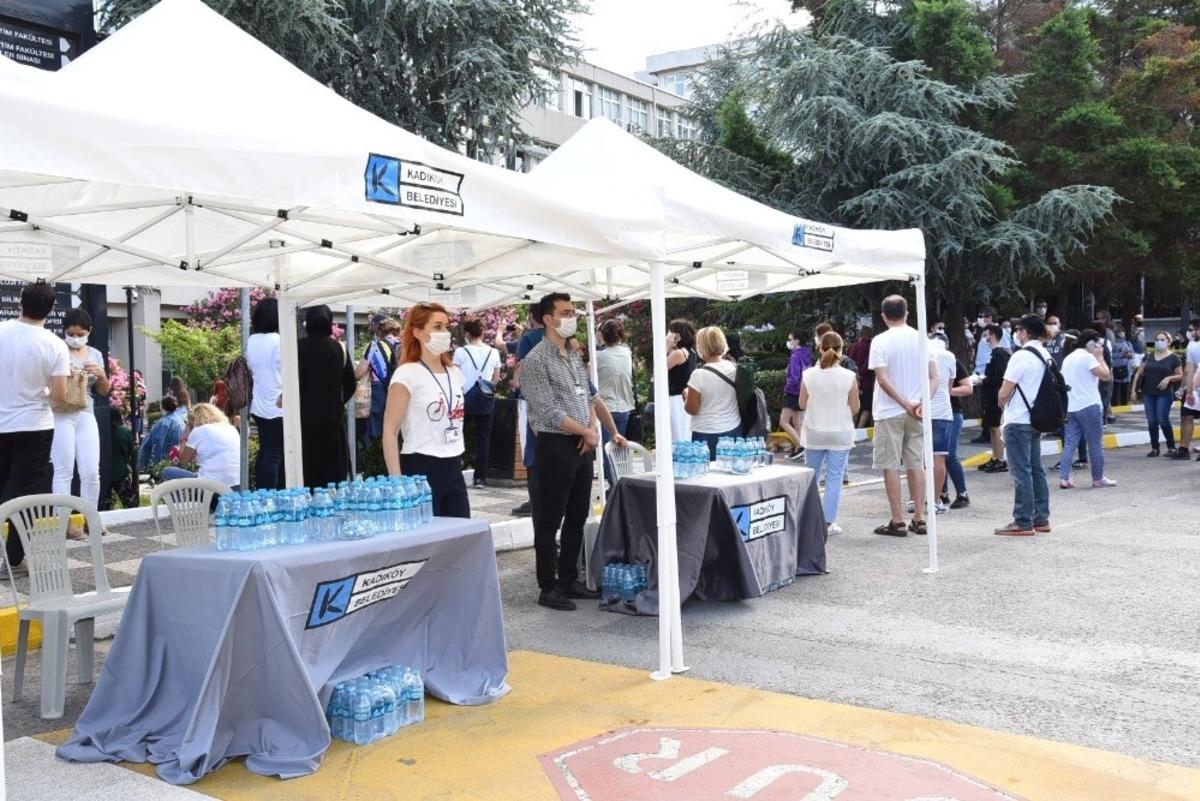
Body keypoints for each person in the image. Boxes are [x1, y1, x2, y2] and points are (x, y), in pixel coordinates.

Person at [520, 293, 627, 612]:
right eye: (566, 312)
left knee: (578, 514)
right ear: (548, 319)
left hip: (582, 443)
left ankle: (569, 578)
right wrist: (585, 432)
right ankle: (548, 586)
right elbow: (548, 411)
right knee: (550, 518)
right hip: (556, 444)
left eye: (573, 312)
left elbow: (588, 398)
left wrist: (592, 430)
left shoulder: (572, 355)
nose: (572, 318)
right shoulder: (535, 361)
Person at [0, 283, 69, 575]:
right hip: (34, 425)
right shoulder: (54, 344)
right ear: (51, 309)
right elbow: (60, 397)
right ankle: (14, 560)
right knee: (24, 494)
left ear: (20, 302)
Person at [382, 302, 470, 518]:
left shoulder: (455, 373)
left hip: (453, 464)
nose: (445, 333)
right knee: (428, 535)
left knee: (460, 533)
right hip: (420, 465)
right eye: (437, 326)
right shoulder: (407, 374)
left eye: (446, 326)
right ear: (418, 333)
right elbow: (390, 431)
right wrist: (397, 483)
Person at [868, 295, 935, 537]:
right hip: (917, 410)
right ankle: (919, 517)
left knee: (890, 465)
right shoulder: (922, 339)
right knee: (916, 463)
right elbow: (935, 376)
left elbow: (882, 379)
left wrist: (904, 403)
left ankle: (897, 520)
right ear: (907, 313)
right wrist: (921, 403)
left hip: (889, 410)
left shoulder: (880, 341)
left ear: (884, 316)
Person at [50, 309, 110, 534]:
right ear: (64, 331)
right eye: (70, 333)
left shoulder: (95, 354)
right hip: (61, 413)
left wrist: (101, 375)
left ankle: (90, 518)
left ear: (89, 331)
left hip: (86, 412)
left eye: (80, 334)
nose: (75, 338)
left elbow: (104, 391)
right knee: (63, 470)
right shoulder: (57, 349)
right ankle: (63, 522)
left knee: (91, 471)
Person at [994, 315, 1053, 536]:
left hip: (1018, 420)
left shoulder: (1020, 356)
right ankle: (1041, 518)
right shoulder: (1045, 355)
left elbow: (1004, 392)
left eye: (1018, 330)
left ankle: (1022, 521)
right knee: (1036, 469)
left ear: (1024, 333)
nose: (1016, 334)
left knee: (1021, 472)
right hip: (1036, 419)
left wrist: (1001, 404)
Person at [798, 331, 859, 535]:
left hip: (814, 432)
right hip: (840, 433)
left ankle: (809, 520)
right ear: (841, 349)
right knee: (834, 479)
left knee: (812, 478)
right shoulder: (849, 376)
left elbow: (801, 404)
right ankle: (829, 522)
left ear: (819, 348)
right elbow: (856, 408)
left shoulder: (808, 375)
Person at [298, 305, 357, 489]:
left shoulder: (297, 347)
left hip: (303, 418)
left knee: (305, 468)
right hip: (332, 418)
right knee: (333, 470)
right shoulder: (339, 348)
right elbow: (350, 384)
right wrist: (337, 402)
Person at [1058, 329, 1115, 489]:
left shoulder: (1068, 358)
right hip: (1089, 405)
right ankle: (1098, 478)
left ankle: (1064, 478)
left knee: (1070, 443)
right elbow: (1106, 376)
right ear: (1090, 344)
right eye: (1097, 343)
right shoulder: (1088, 358)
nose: (1099, 346)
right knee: (1095, 443)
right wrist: (1100, 357)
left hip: (1071, 406)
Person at [454, 317, 502, 488]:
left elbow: (455, 377)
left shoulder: (460, 352)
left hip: (464, 399)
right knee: (483, 439)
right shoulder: (493, 352)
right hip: (486, 399)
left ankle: (455, 474)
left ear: (466, 333)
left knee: (458, 436)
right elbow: (496, 379)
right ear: (482, 332)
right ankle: (480, 478)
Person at [928, 335, 974, 513]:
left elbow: (968, 388)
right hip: (937, 412)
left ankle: (962, 493)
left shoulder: (953, 361)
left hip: (952, 413)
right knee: (937, 456)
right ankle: (941, 493)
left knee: (949, 455)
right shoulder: (928, 360)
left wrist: (946, 391)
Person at [685, 327, 744, 459]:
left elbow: (692, 409)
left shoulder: (698, 375)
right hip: (733, 429)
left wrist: (686, 397)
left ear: (701, 347)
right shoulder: (735, 368)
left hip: (705, 433)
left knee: (706, 471)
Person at [511, 305, 546, 517]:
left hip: (530, 400)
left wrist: (516, 380)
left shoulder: (529, 338)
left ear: (532, 316)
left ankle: (535, 501)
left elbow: (523, 365)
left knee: (531, 452)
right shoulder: (559, 336)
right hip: (555, 402)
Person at [245, 298, 283, 489]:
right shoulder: (279, 340)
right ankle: (270, 495)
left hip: (259, 405)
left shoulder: (252, 340)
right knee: (274, 455)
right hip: (279, 404)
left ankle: (261, 492)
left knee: (266, 451)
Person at [162, 403, 241, 491]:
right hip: (237, 486)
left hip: (210, 487)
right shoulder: (231, 428)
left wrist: (185, 435)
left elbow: (183, 460)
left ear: (193, 420)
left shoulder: (198, 431)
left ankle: (182, 500)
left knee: (167, 472)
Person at [595, 319, 635, 486]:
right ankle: (618, 485)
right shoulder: (626, 352)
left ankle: (614, 488)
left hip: (605, 408)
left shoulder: (598, 356)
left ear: (602, 335)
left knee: (608, 452)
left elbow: (586, 377)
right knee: (619, 451)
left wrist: (598, 343)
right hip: (624, 407)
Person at [1133, 330, 1182, 457]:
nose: (1159, 342)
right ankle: (1155, 448)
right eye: (1157, 339)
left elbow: (1180, 375)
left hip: (1164, 393)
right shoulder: (1148, 356)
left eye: (1162, 340)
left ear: (1168, 342)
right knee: (1151, 421)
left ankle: (1171, 447)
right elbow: (1139, 372)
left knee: (1162, 419)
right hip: (1148, 392)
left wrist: (1169, 378)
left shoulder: (1174, 358)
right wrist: (1133, 390)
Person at [355, 315, 398, 448]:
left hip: (379, 387)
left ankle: (374, 448)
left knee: (376, 419)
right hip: (398, 386)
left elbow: (360, 371)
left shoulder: (373, 346)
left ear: (375, 328)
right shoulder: (398, 343)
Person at [977, 324, 1011, 473]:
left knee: (996, 427)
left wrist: (984, 380)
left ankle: (1001, 459)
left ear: (993, 335)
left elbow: (1001, 377)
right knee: (991, 426)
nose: (985, 338)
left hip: (995, 396)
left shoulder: (1000, 354)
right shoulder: (993, 354)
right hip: (989, 396)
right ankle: (995, 456)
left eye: (986, 335)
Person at [780, 329, 813, 460]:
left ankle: (800, 446)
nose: (788, 342)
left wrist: (787, 389)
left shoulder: (795, 356)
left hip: (792, 392)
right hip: (803, 391)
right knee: (797, 422)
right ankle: (799, 450)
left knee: (784, 422)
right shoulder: (807, 355)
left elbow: (793, 378)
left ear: (797, 341)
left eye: (790, 339)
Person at [665, 319, 697, 442]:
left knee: (676, 436)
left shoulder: (679, 353)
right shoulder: (691, 352)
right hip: (683, 398)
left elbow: (658, 369)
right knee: (683, 434)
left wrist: (666, 346)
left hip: (675, 400)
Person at [1172, 318, 1200, 459]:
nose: (1190, 333)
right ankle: (1183, 450)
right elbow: (1189, 369)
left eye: (1192, 330)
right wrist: (1186, 389)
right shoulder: (1192, 346)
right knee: (1186, 416)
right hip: (1194, 388)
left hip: (1196, 386)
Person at [138, 394, 187, 471]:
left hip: (164, 464)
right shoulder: (180, 420)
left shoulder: (162, 423)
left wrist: (143, 466)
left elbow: (155, 445)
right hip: (178, 461)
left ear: (162, 406)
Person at [846, 326, 874, 428]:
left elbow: (848, 361)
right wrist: (861, 374)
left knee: (854, 406)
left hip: (852, 380)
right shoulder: (871, 347)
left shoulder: (853, 346)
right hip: (866, 381)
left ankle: (852, 428)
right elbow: (868, 364)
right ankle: (860, 428)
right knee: (867, 407)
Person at [1111, 330, 1134, 407]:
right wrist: (1121, 355)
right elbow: (1110, 355)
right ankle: (1115, 407)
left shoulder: (1128, 343)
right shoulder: (1113, 344)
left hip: (1127, 371)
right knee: (1115, 392)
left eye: (1123, 332)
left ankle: (1125, 406)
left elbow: (1133, 355)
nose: (1122, 334)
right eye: (1120, 333)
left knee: (1125, 392)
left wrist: (1130, 355)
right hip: (1117, 371)